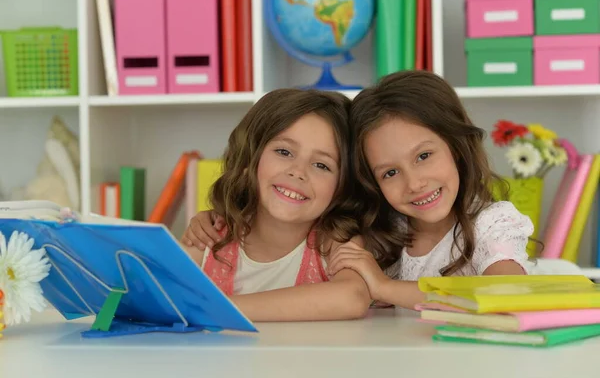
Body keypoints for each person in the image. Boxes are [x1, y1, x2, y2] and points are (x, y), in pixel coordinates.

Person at [186, 71, 534, 310]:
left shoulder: (494, 224)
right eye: (390, 172)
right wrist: (215, 216)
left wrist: (384, 288)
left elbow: (504, 295)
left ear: (457, 148)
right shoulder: (386, 229)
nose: (413, 183)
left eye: (424, 156)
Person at [182, 88, 371, 321]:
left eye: (322, 165)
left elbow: (351, 297)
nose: (298, 172)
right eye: (284, 152)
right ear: (250, 158)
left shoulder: (335, 240)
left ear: (343, 186)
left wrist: (216, 308)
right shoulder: (209, 238)